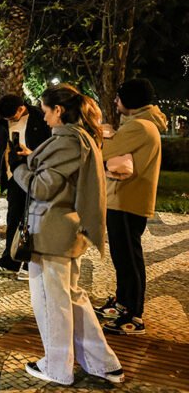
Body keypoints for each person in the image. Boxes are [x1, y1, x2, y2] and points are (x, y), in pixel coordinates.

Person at [10, 83, 124, 386]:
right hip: (65, 231)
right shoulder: (80, 138)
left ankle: (57, 367)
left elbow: (43, 188)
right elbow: (60, 173)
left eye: (46, 112)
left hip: (51, 232)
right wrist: (32, 157)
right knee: (72, 298)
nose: (44, 118)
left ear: (58, 111)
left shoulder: (67, 141)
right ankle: (104, 363)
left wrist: (18, 169)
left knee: (52, 302)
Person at [94, 79, 167, 335]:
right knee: (123, 256)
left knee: (128, 259)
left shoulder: (139, 127)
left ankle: (133, 316)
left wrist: (103, 135)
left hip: (128, 201)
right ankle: (123, 303)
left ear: (131, 101)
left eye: (119, 97)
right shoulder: (140, 125)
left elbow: (103, 151)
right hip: (125, 199)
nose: (115, 101)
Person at [0, 94, 52, 280]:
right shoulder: (2, 121)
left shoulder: (40, 117)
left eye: (12, 117)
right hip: (13, 175)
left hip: (35, 175)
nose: (10, 121)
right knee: (13, 218)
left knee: (34, 219)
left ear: (21, 108)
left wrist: (31, 154)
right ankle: (10, 261)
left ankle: (29, 264)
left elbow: (49, 147)